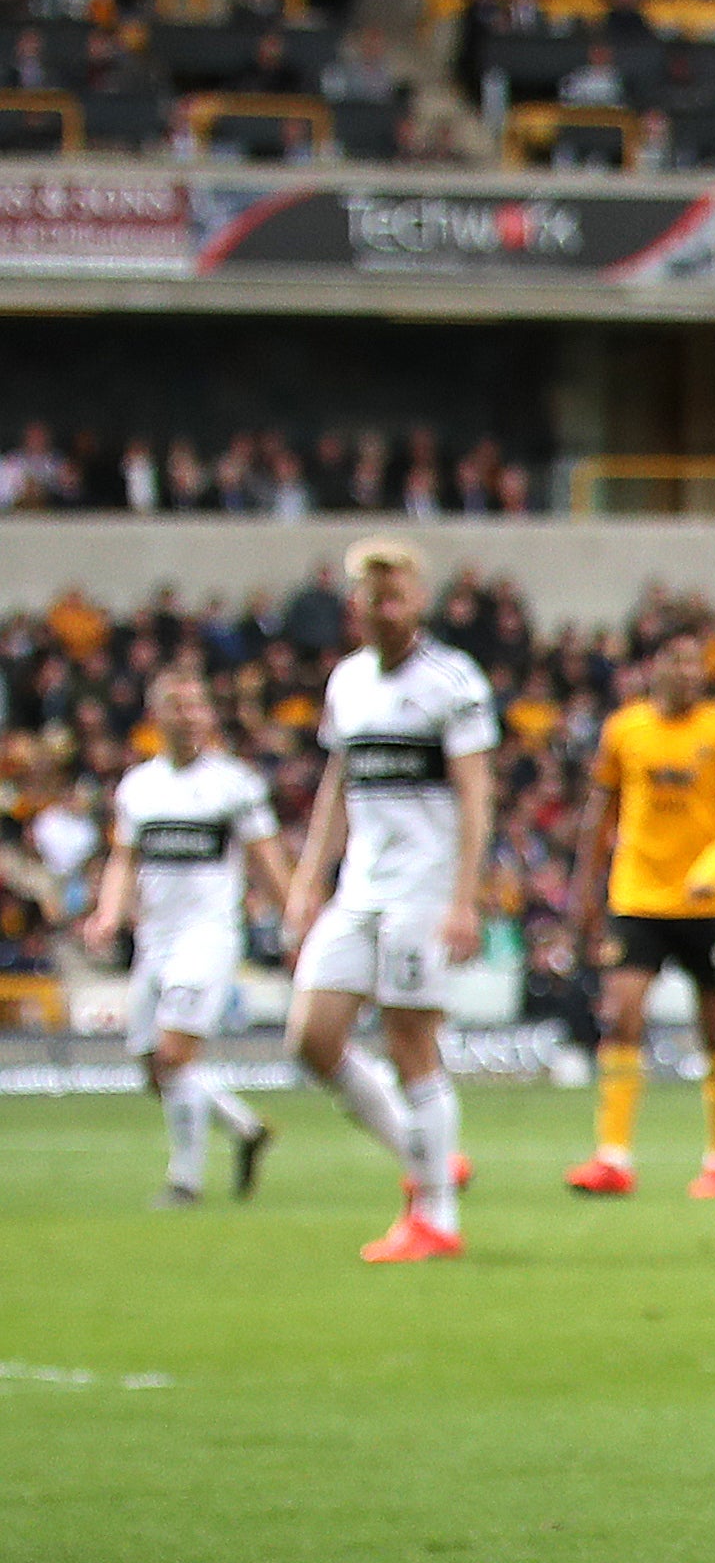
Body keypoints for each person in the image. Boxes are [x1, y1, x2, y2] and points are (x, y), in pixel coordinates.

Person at [282, 536, 493, 1264]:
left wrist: (465, 898)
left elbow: (475, 791)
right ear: (355, 604)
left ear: (420, 598)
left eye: (396, 588)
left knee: (410, 1041)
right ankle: (424, 1151)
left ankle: (435, 1215)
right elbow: (339, 783)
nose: (383, 601)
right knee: (311, 1038)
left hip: (423, 888)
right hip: (360, 887)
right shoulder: (347, 682)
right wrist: (310, 877)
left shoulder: (452, 679)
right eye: (371, 591)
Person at [565, 631, 715, 1200]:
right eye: (676, 660)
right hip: (639, 896)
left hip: (704, 900)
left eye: (695, 661)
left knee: (714, 1027)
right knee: (623, 1014)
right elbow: (600, 811)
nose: (687, 671)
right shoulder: (624, 729)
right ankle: (613, 1156)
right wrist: (585, 888)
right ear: (654, 666)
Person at [80, 662, 283, 1205]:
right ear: (158, 715)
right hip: (156, 940)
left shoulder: (233, 784)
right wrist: (107, 912)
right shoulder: (139, 786)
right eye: (180, 706)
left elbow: (265, 858)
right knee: (153, 1070)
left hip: (209, 936)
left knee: (174, 1056)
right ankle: (245, 1128)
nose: (192, 717)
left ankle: (184, 1182)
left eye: (199, 706)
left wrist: (295, 916)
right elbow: (124, 860)